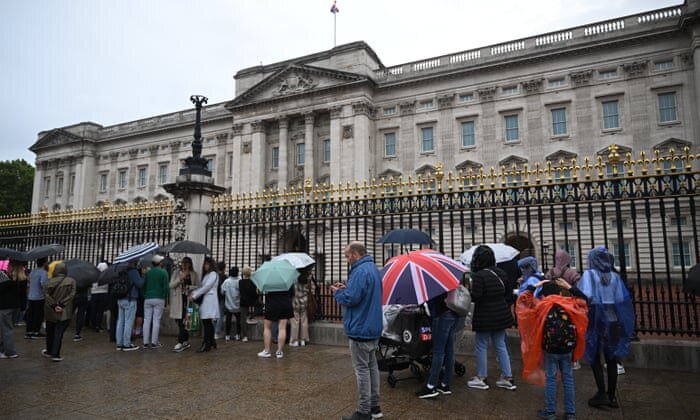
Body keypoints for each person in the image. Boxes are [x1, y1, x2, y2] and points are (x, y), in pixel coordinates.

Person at [516, 278, 589, 420]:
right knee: (568, 378)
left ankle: (550, 412)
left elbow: (522, 302)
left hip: (550, 348)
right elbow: (584, 300)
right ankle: (570, 413)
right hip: (567, 348)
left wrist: (533, 286)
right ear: (560, 292)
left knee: (551, 379)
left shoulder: (542, 305)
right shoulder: (569, 304)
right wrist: (569, 286)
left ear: (543, 295)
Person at [578, 246, 635, 409]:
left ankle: (601, 393)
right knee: (611, 359)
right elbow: (619, 298)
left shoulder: (590, 275)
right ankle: (612, 396)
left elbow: (587, 296)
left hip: (597, 319)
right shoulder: (615, 276)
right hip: (613, 320)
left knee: (595, 357)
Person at [332, 241, 383, 420]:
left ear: (354, 254)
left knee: (361, 370)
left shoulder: (359, 271)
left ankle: (363, 411)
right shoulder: (373, 269)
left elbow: (352, 299)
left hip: (360, 326)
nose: (347, 260)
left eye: (347, 256)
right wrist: (348, 288)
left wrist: (338, 293)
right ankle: (375, 407)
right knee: (372, 367)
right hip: (373, 326)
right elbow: (364, 293)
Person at [467, 245, 517, 391]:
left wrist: (470, 290)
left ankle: (482, 377)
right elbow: (507, 293)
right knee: (500, 345)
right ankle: (507, 378)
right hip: (501, 314)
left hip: (485, 315)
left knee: (481, 345)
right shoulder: (501, 272)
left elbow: (476, 296)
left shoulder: (479, 275)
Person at [415, 287, 460, 399]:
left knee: (438, 351)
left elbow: (433, 300)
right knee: (449, 350)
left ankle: (431, 386)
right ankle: (445, 384)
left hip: (441, 316)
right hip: (453, 313)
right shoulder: (447, 277)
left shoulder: (434, 282)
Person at [42, 261, 76, 361]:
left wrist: (54, 305)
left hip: (50, 310)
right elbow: (72, 294)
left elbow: (46, 295)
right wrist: (61, 305)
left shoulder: (49, 281)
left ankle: (49, 351)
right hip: (64, 310)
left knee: (50, 331)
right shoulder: (71, 281)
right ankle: (56, 354)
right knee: (59, 332)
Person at [257, 276, 293, 359]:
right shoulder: (287, 278)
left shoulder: (269, 279)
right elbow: (292, 293)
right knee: (282, 328)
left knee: (267, 327)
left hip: (272, 304)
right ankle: (279, 352)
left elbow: (262, 290)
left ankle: (267, 351)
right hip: (285, 304)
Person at [169, 256, 199, 352]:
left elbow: (198, 286)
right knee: (180, 321)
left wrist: (190, 287)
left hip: (189, 302)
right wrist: (180, 279)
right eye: (183, 263)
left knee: (187, 321)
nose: (185, 265)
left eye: (187, 263)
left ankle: (181, 342)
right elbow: (171, 285)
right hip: (178, 301)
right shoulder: (176, 273)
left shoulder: (194, 274)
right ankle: (184, 340)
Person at [190, 257, 219, 352]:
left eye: (206, 264)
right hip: (206, 301)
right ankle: (210, 341)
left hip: (210, 300)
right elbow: (202, 287)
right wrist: (195, 292)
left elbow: (207, 287)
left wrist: (195, 295)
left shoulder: (213, 274)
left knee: (207, 322)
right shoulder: (207, 275)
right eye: (204, 264)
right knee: (207, 322)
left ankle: (207, 343)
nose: (205, 266)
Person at [116, 260, 144, 351]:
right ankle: (126, 344)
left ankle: (119, 343)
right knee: (128, 321)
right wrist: (143, 275)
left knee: (120, 321)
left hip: (121, 298)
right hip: (130, 298)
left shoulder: (122, 271)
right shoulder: (133, 272)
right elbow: (139, 284)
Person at [142, 254, 169, 348]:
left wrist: (144, 294)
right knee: (156, 320)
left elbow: (143, 285)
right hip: (159, 297)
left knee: (146, 320)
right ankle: (154, 342)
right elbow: (166, 287)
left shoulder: (148, 273)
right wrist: (166, 297)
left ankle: (145, 342)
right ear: (160, 263)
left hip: (148, 298)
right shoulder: (163, 272)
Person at [289, 267, 314, 347]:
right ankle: (303, 339)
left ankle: (294, 340)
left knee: (295, 321)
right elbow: (312, 289)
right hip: (305, 301)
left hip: (295, 301)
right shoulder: (308, 278)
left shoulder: (293, 278)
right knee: (304, 321)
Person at [0, 266, 21, 358]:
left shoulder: (5, 278)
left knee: (6, 329)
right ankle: (3, 349)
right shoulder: (13, 277)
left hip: (4, 306)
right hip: (12, 306)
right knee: (6, 328)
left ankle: (10, 352)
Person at [25, 257, 49, 339]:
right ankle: (36, 332)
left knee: (30, 315)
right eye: (46, 262)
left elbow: (29, 281)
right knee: (38, 315)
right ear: (44, 263)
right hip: (39, 297)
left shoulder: (32, 271)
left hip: (31, 296)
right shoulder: (44, 273)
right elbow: (43, 284)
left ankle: (29, 332)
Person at [221, 266, 241, 341]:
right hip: (238, 305)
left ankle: (227, 335)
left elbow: (222, 291)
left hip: (229, 304)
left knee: (228, 320)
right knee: (238, 321)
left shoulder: (226, 281)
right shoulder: (240, 280)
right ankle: (238, 335)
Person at [89, 262, 110, 333]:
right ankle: (98, 325)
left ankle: (93, 323)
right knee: (100, 311)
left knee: (94, 309)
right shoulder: (107, 275)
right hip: (103, 293)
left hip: (94, 293)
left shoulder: (93, 274)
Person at [238, 265, 257, 342]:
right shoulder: (253, 281)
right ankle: (252, 317)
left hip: (243, 301)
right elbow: (254, 293)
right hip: (252, 300)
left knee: (242, 319)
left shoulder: (240, 282)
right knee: (260, 307)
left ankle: (244, 336)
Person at [214, 261, 227, 340]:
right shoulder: (225, 277)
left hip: (214, 297)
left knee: (215, 315)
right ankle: (217, 332)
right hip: (221, 297)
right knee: (220, 315)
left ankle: (216, 330)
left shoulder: (214, 276)